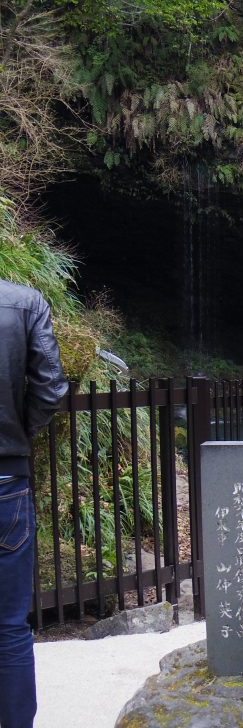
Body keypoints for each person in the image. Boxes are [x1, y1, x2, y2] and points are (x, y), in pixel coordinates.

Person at [0, 278, 69, 728]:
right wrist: (17, 436)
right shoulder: (24, 303)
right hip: (6, 480)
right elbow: (51, 390)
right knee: (8, 628)